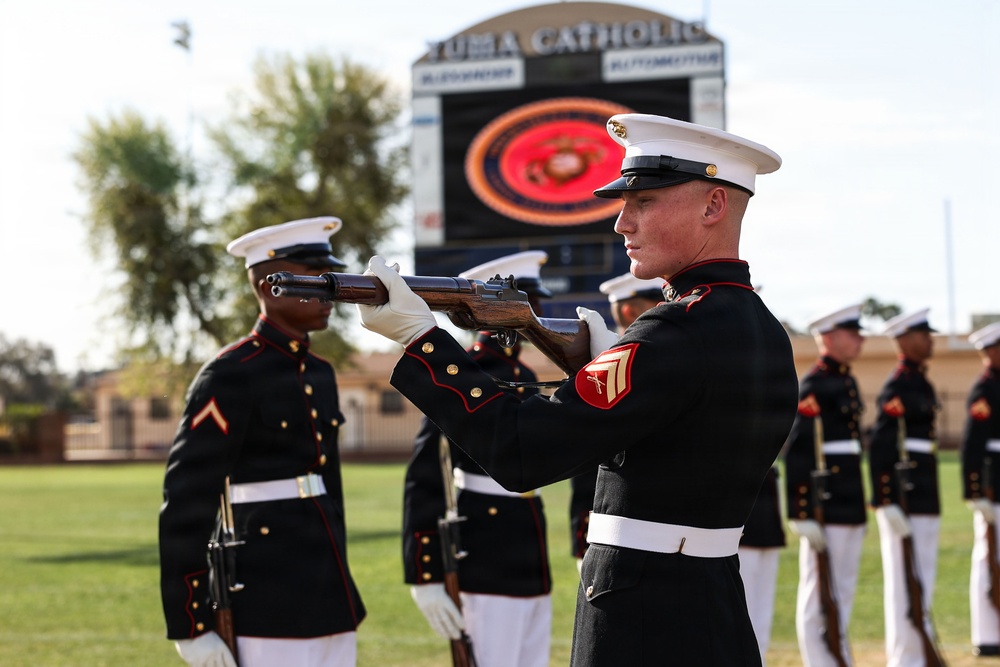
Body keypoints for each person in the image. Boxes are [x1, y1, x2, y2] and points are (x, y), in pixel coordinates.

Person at [356, 113, 799, 666]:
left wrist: (422, 340)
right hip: (713, 604)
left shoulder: (674, 330)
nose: (622, 223)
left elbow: (522, 450)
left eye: (644, 202)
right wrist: (604, 367)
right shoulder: (761, 328)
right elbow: (678, 435)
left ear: (713, 206)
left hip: (641, 622)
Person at [159, 217, 366, 667]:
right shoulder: (230, 373)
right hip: (263, 589)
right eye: (317, 279)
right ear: (273, 285)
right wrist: (191, 623)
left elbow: (330, 489)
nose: (332, 290)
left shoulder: (320, 373)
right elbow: (186, 500)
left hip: (328, 587)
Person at [402, 250, 554, 667]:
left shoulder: (523, 374)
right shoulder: (467, 370)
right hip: (484, 552)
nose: (537, 312)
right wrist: (425, 573)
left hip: (528, 547)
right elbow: (427, 471)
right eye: (528, 302)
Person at [784, 303, 868, 666]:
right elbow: (800, 449)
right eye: (853, 334)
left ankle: (837, 651)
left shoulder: (846, 380)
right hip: (826, 499)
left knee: (843, 585)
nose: (860, 340)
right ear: (830, 338)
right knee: (818, 587)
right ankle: (819, 659)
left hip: (849, 497)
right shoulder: (816, 384)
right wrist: (800, 510)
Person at [566, 272, 665, 570]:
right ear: (629, 311)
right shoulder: (604, 368)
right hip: (615, 531)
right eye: (659, 305)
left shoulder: (661, 361)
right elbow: (587, 464)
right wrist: (586, 536)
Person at [868, 307, 942, 667]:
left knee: (921, 576)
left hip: (924, 494)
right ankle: (905, 659)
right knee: (904, 581)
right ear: (906, 339)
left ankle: (917, 654)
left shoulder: (920, 382)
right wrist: (885, 500)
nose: (930, 340)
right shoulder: (898, 386)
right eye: (924, 334)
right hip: (905, 498)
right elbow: (882, 446)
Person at [961, 321, 1000, 657]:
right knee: (988, 560)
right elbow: (972, 447)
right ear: (990, 352)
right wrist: (975, 493)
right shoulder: (984, 390)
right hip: (993, 489)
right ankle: (986, 636)